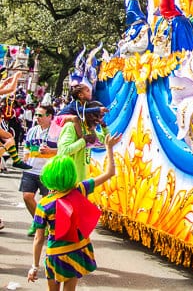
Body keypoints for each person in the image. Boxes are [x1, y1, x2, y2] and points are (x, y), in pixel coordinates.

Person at [27, 132, 123, 289]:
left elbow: (38, 239)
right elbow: (110, 173)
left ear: (49, 176)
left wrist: (35, 266)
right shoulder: (80, 189)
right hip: (76, 250)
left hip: (55, 255)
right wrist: (109, 148)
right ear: (71, 173)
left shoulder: (44, 204)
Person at [20, 104, 59, 236]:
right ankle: (37, 222)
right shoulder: (32, 130)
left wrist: (50, 151)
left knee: (46, 201)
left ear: (49, 117)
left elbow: (63, 150)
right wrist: (25, 154)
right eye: (36, 115)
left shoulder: (57, 132)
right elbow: (26, 145)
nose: (37, 117)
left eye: (40, 115)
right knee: (27, 196)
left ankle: (45, 225)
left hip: (46, 171)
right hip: (30, 169)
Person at [57, 103, 109, 182]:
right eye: (100, 117)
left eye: (102, 117)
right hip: (66, 181)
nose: (100, 120)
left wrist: (103, 126)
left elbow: (107, 142)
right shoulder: (71, 126)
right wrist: (84, 141)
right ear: (90, 116)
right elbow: (64, 151)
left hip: (81, 182)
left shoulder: (88, 129)